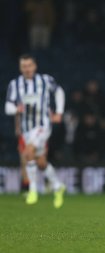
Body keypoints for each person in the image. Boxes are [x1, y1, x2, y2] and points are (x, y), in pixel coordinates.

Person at [5, 54, 66, 208]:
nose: (27, 69)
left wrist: (59, 112)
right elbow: (8, 106)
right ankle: (58, 186)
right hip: (26, 128)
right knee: (40, 162)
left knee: (27, 153)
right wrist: (15, 109)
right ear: (20, 68)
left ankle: (33, 190)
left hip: (43, 125)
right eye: (24, 66)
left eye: (29, 65)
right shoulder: (15, 84)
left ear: (35, 66)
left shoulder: (45, 80)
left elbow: (59, 92)